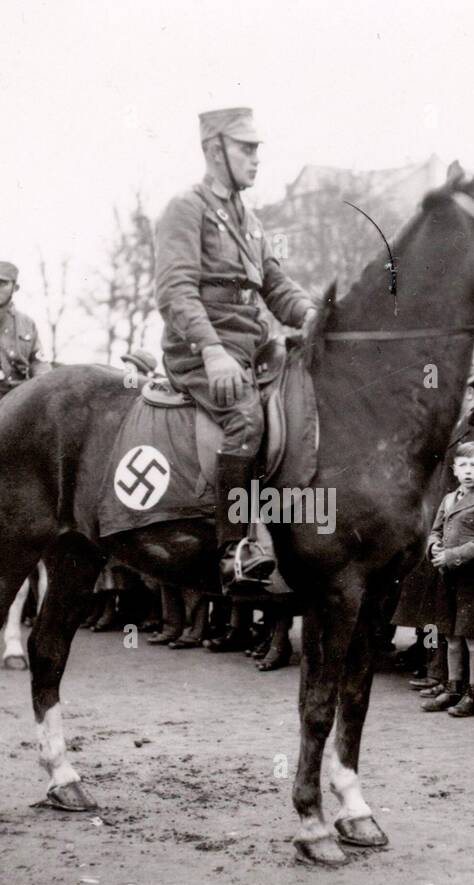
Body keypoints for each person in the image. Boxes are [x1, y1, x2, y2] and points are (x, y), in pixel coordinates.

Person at [154, 106, 316, 589]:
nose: (255, 158)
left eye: (256, 149)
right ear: (214, 150)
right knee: (245, 415)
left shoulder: (250, 219)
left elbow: (276, 284)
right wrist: (210, 349)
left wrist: (310, 314)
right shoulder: (186, 208)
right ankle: (233, 550)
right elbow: (174, 291)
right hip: (201, 348)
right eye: (245, 148)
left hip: (251, 345)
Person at [420, 442, 474, 717]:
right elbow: (435, 530)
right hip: (448, 576)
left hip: (473, 580)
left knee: (472, 639)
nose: (468, 472)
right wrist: (434, 547)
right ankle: (453, 687)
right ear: (455, 469)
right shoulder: (448, 499)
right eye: (463, 465)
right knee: (451, 636)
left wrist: (452, 555)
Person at [0, 260, 46, 400]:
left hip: (20, 398)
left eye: (1, 284)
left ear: (15, 287)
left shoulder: (27, 323)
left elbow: (38, 362)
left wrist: (45, 386)